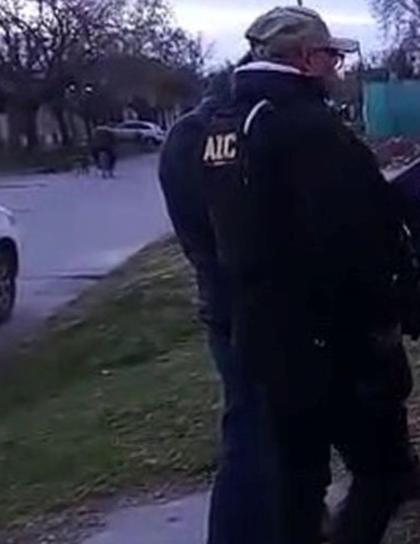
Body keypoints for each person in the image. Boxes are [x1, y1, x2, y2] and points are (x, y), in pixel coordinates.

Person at [197, 6, 420, 544]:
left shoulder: (224, 124)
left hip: (263, 330)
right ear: (305, 58)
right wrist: (398, 303)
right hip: (332, 337)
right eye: (331, 57)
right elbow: (350, 237)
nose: (337, 68)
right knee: (382, 473)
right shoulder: (308, 128)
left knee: (297, 479)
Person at [159, 63, 276, 544]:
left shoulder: (181, 138)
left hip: (217, 295)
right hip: (251, 300)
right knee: (253, 427)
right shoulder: (236, 136)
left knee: (248, 416)